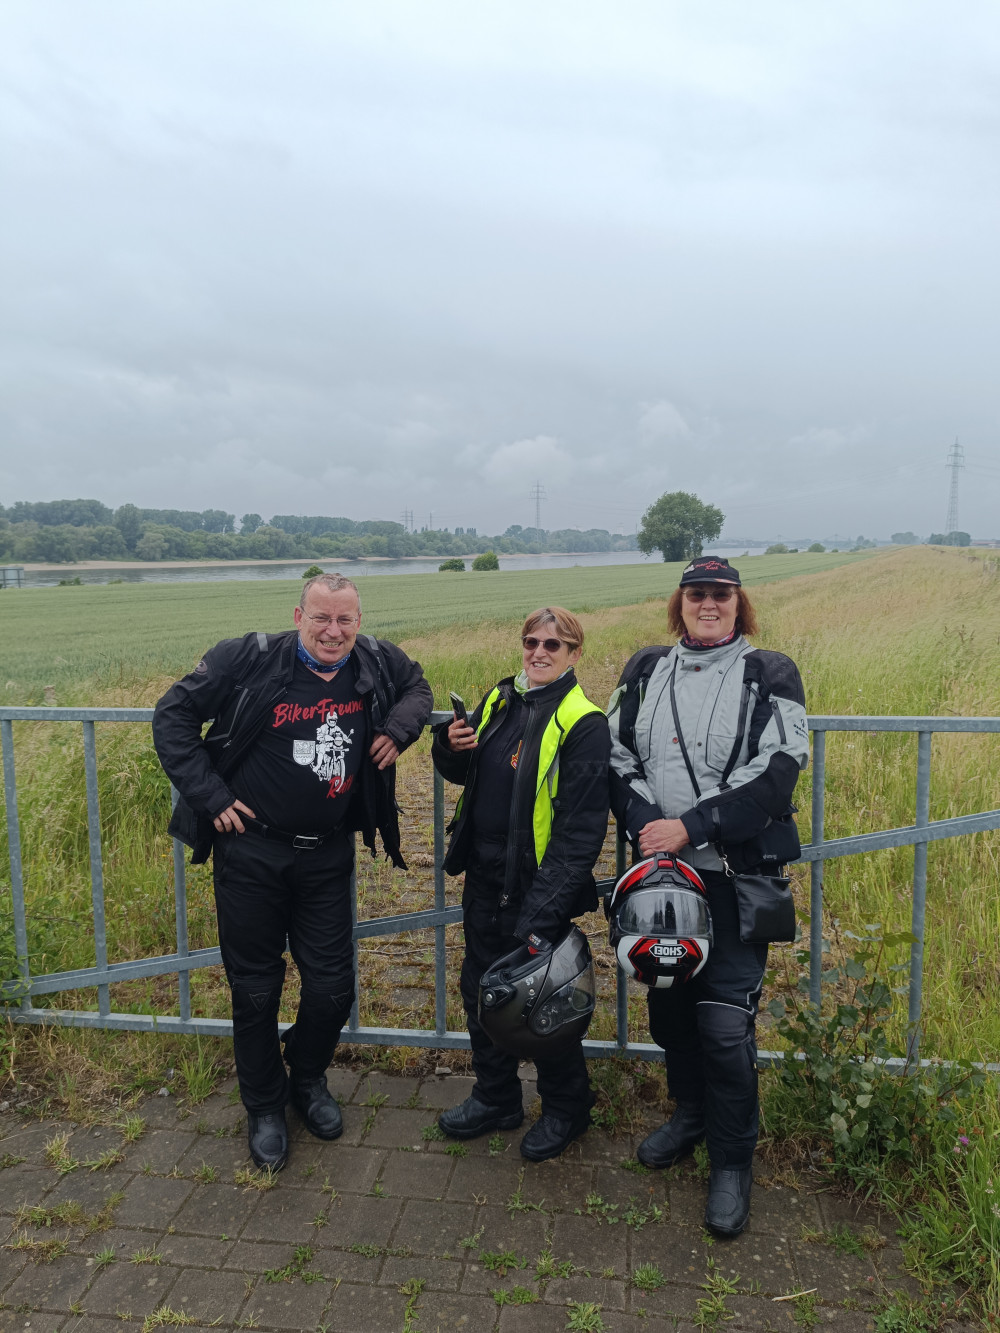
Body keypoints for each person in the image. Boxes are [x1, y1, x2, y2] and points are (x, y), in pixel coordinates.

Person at [153, 573, 432, 1171]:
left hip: (327, 854)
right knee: (255, 988)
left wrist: (399, 728)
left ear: (359, 621)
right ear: (299, 615)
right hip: (250, 853)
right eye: (321, 618)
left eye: (345, 619)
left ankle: (306, 1077)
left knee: (332, 988)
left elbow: (417, 686)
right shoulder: (247, 659)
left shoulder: (374, 659)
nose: (333, 632)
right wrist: (211, 796)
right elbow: (172, 716)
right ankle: (264, 1106)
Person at [608, 557, 808, 1236]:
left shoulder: (769, 672)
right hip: (661, 879)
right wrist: (646, 823)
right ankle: (689, 1114)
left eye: (722, 594)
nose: (709, 604)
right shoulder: (644, 669)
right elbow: (615, 756)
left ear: (739, 603)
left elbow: (777, 772)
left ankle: (731, 1161)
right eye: (697, 593)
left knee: (724, 1029)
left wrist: (691, 826)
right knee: (671, 1014)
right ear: (680, 602)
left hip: (731, 880)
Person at [432, 607, 611, 1162]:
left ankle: (567, 1109)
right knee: (479, 990)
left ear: (574, 653)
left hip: (537, 887)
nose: (538, 652)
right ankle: (497, 1098)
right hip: (486, 877)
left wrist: (543, 912)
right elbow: (464, 771)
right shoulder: (501, 699)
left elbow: (581, 831)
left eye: (553, 645)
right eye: (531, 641)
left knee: (544, 1002)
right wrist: (450, 744)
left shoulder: (584, 722)